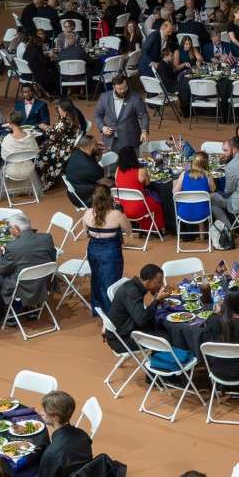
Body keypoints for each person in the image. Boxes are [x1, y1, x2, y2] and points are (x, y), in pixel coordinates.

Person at [0, 211, 56, 312]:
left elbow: (2, 270)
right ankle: (32, 306)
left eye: (10, 228)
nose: (9, 230)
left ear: (16, 228)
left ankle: (13, 308)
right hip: (44, 282)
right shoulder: (47, 238)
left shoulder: (12, 247)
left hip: (24, 286)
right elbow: (53, 258)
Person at [81, 185, 129, 317]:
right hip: (111, 252)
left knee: (96, 278)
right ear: (109, 198)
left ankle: (98, 308)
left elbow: (86, 234)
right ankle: (111, 313)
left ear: (94, 198)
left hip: (93, 250)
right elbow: (129, 231)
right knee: (111, 282)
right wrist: (122, 213)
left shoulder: (87, 213)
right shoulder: (116, 214)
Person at [93, 77, 148, 153]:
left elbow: (144, 116)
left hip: (129, 140)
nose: (123, 91)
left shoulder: (135, 98)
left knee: (131, 161)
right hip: (110, 140)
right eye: (120, 89)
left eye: (125, 87)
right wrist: (102, 127)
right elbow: (97, 115)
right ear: (113, 87)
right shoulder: (104, 97)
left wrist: (144, 131)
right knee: (110, 160)